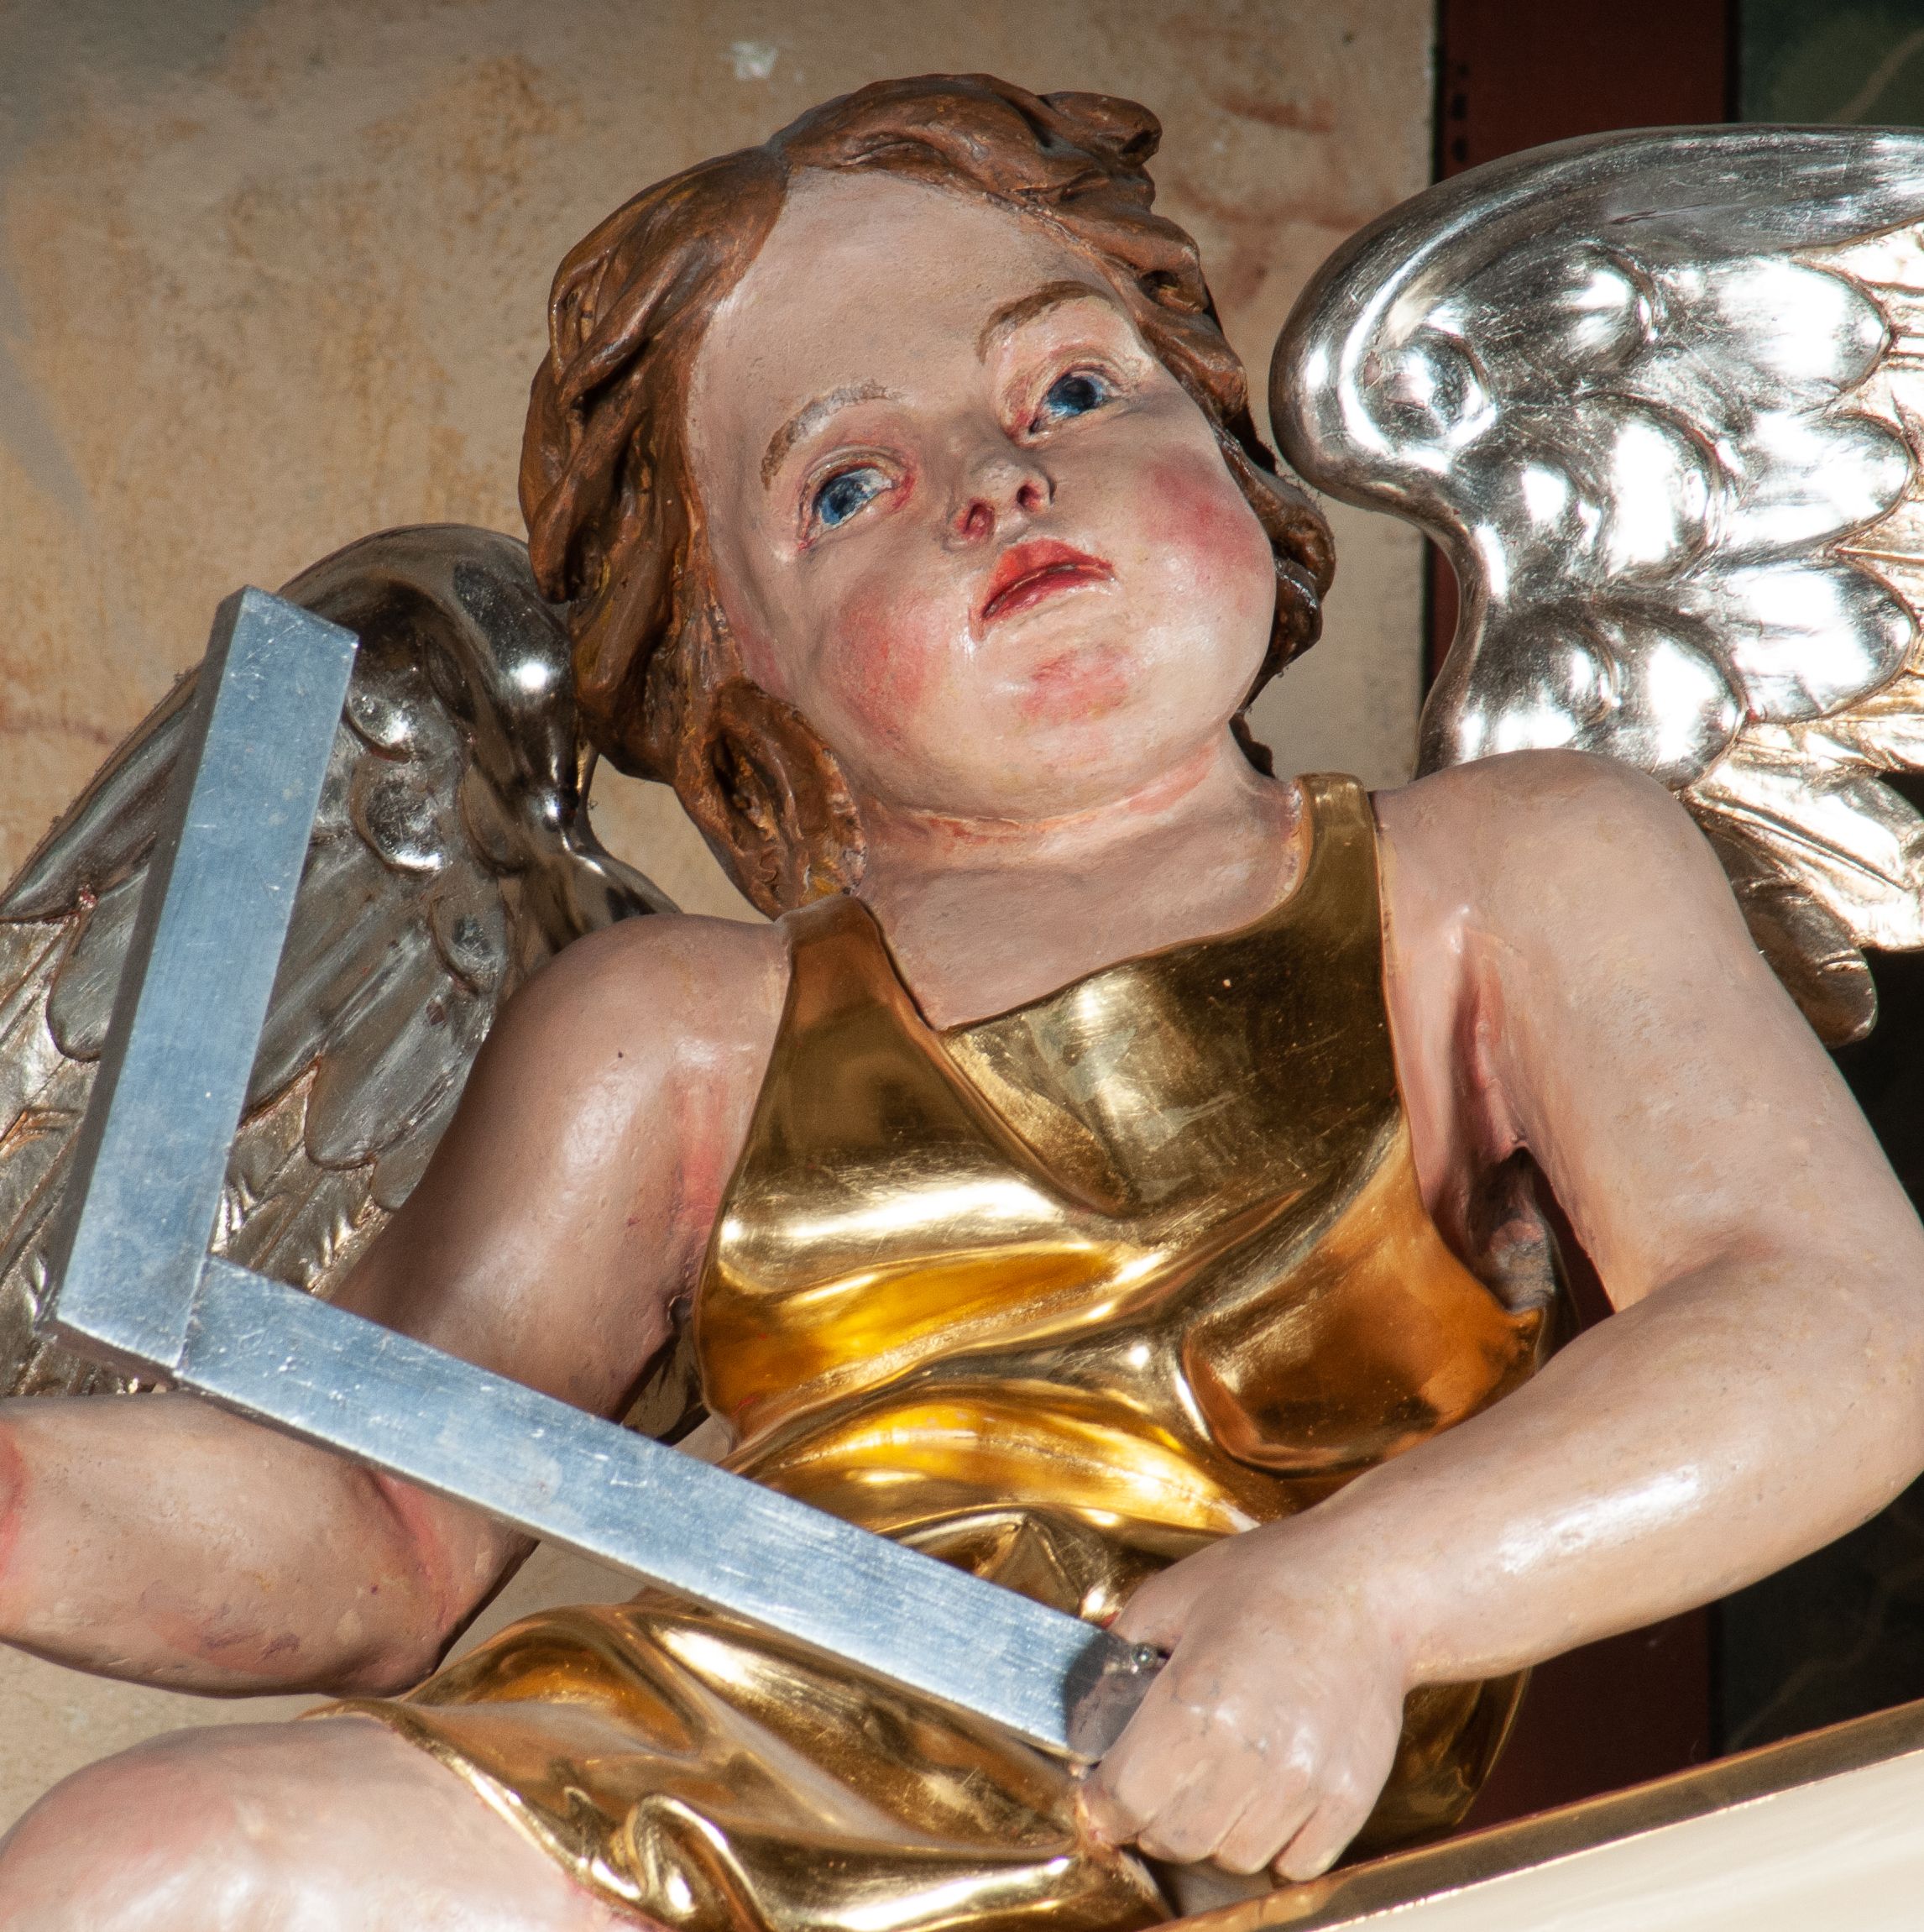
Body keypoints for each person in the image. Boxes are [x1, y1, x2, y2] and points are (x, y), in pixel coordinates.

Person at [1, 73, 1921, 1932]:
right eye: (851, 483)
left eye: (1072, 390)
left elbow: (1832, 1312)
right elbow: (375, 1512)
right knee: (153, 1862)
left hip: (1184, 1802)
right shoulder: (678, 1030)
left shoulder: (1500, 869)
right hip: (702, 1781)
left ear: (1229, 443)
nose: (1002, 483)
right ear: (734, 657)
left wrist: (1364, 1595)